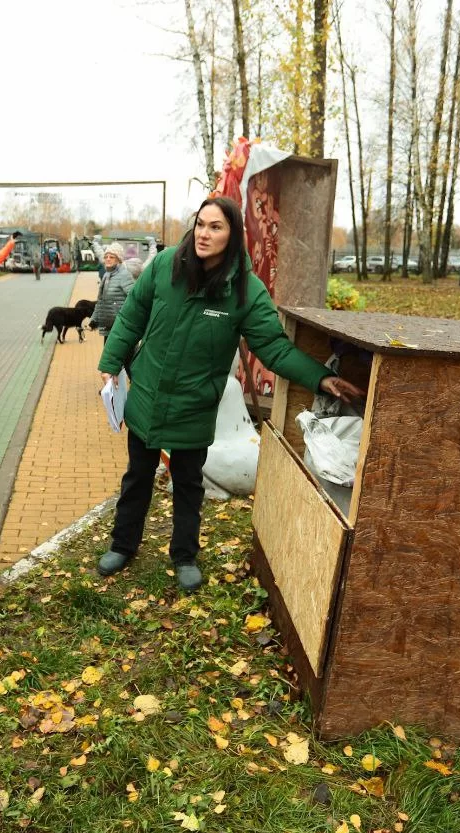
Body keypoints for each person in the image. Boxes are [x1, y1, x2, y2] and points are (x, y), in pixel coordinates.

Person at [96, 196, 363, 592]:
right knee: (137, 477)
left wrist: (320, 378)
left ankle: (184, 556)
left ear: (232, 234)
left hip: (194, 406)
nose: (204, 233)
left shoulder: (244, 292)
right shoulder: (166, 266)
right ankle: (123, 544)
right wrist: (111, 360)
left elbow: (273, 347)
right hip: (148, 397)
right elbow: (133, 314)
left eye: (215, 227)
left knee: (189, 485)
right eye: (200, 224)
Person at [90, 242, 135, 336]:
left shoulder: (124, 275)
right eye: (106, 257)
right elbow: (100, 301)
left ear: (118, 259)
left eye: (111, 257)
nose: (108, 259)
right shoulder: (106, 275)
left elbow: (135, 299)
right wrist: (94, 319)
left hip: (121, 328)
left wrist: (125, 319)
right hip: (108, 327)